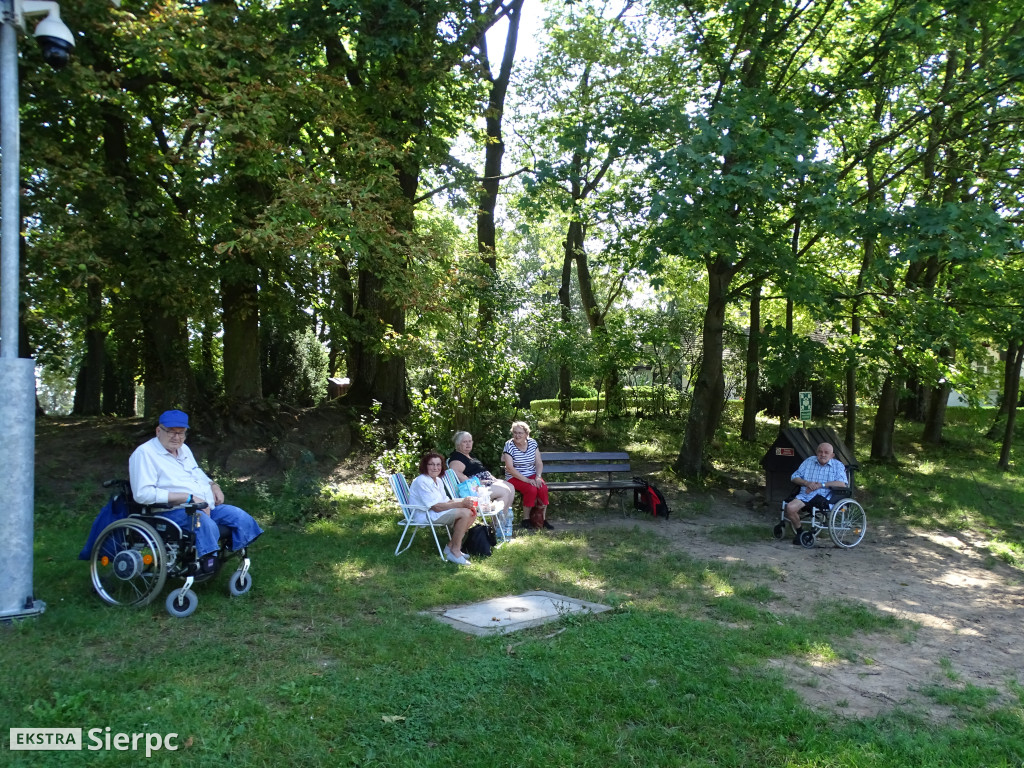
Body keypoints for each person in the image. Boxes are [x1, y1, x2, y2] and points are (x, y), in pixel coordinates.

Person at [129, 410, 264, 572]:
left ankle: (228, 551)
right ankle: (206, 562)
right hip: (170, 512)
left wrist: (214, 485)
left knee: (238, 516)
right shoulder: (145, 454)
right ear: (159, 431)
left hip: (202, 507)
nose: (176, 437)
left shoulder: (184, 449)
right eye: (171, 432)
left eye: (181, 433)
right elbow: (142, 494)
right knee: (203, 523)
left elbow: (197, 473)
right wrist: (187, 498)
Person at [408, 451, 477, 565]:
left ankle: (450, 547)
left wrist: (466, 501)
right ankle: (455, 551)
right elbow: (436, 507)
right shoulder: (422, 481)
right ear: (425, 466)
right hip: (426, 515)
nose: (435, 468)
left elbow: (446, 501)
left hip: (438, 512)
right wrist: (461, 504)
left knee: (472, 511)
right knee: (465, 513)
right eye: (432, 464)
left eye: (438, 464)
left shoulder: (438, 480)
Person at [784, 442, 848, 545]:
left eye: (826, 452)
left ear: (832, 455)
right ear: (816, 452)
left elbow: (842, 483)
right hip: (806, 495)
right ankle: (800, 533)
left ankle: (809, 533)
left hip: (825, 497)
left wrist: (821, 485)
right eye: (820, 452)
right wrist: (806, 483)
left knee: (815, 501)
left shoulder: (838, 465)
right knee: (790, 508)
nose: (823, 454)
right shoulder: (809, 461)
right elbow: (794, 477)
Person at [448, 430, 515, 515]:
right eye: (465, 442)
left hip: (485, 483)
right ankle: (499, 523)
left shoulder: (470, 455)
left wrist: (493, 479)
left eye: (470, 441)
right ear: (458, 444)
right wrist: (477, 482)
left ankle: (505, 518)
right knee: (505, 491)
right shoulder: (457, 458)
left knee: (511, 487)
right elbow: (457, 475)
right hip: (476, 489)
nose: (468, 444)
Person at [502, 421, 551, 530]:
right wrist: (527, 480)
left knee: (542, 487)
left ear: (526, 434)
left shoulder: (533, 443)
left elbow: (538, 463)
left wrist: (538, 476)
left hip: (532, 474)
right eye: (515, 433)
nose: (517, 435)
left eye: (520, 433)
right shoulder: (509, 445)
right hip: (514, 476)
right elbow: (509, 468)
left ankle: (542, 519)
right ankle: (526, 519)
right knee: (531, 489)